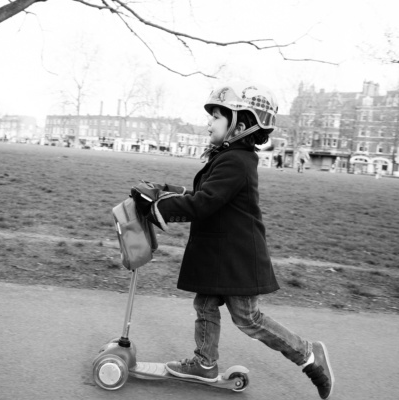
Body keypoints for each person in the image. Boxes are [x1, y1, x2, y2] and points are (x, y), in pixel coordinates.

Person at [131, 83, 334, 399]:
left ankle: (308, 353)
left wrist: (159, 207)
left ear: (240, 124)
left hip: (236, 256)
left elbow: (204, 203)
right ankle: (204, 363)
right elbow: (203, 195)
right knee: (206, 304)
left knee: (248, 318)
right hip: (219, 254)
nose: (209, 122)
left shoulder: (237, 161)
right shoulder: (229, 157)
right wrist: (164, 190)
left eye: (216, 116)